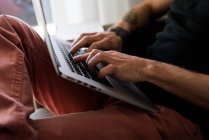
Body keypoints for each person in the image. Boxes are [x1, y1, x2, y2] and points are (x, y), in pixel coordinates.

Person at [0, 0, 208, 140]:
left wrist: (146, 68)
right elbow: (149, 6)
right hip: (128, 89)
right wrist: (117, 34)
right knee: (7, 28)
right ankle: (9, 125)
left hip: (176, 114)